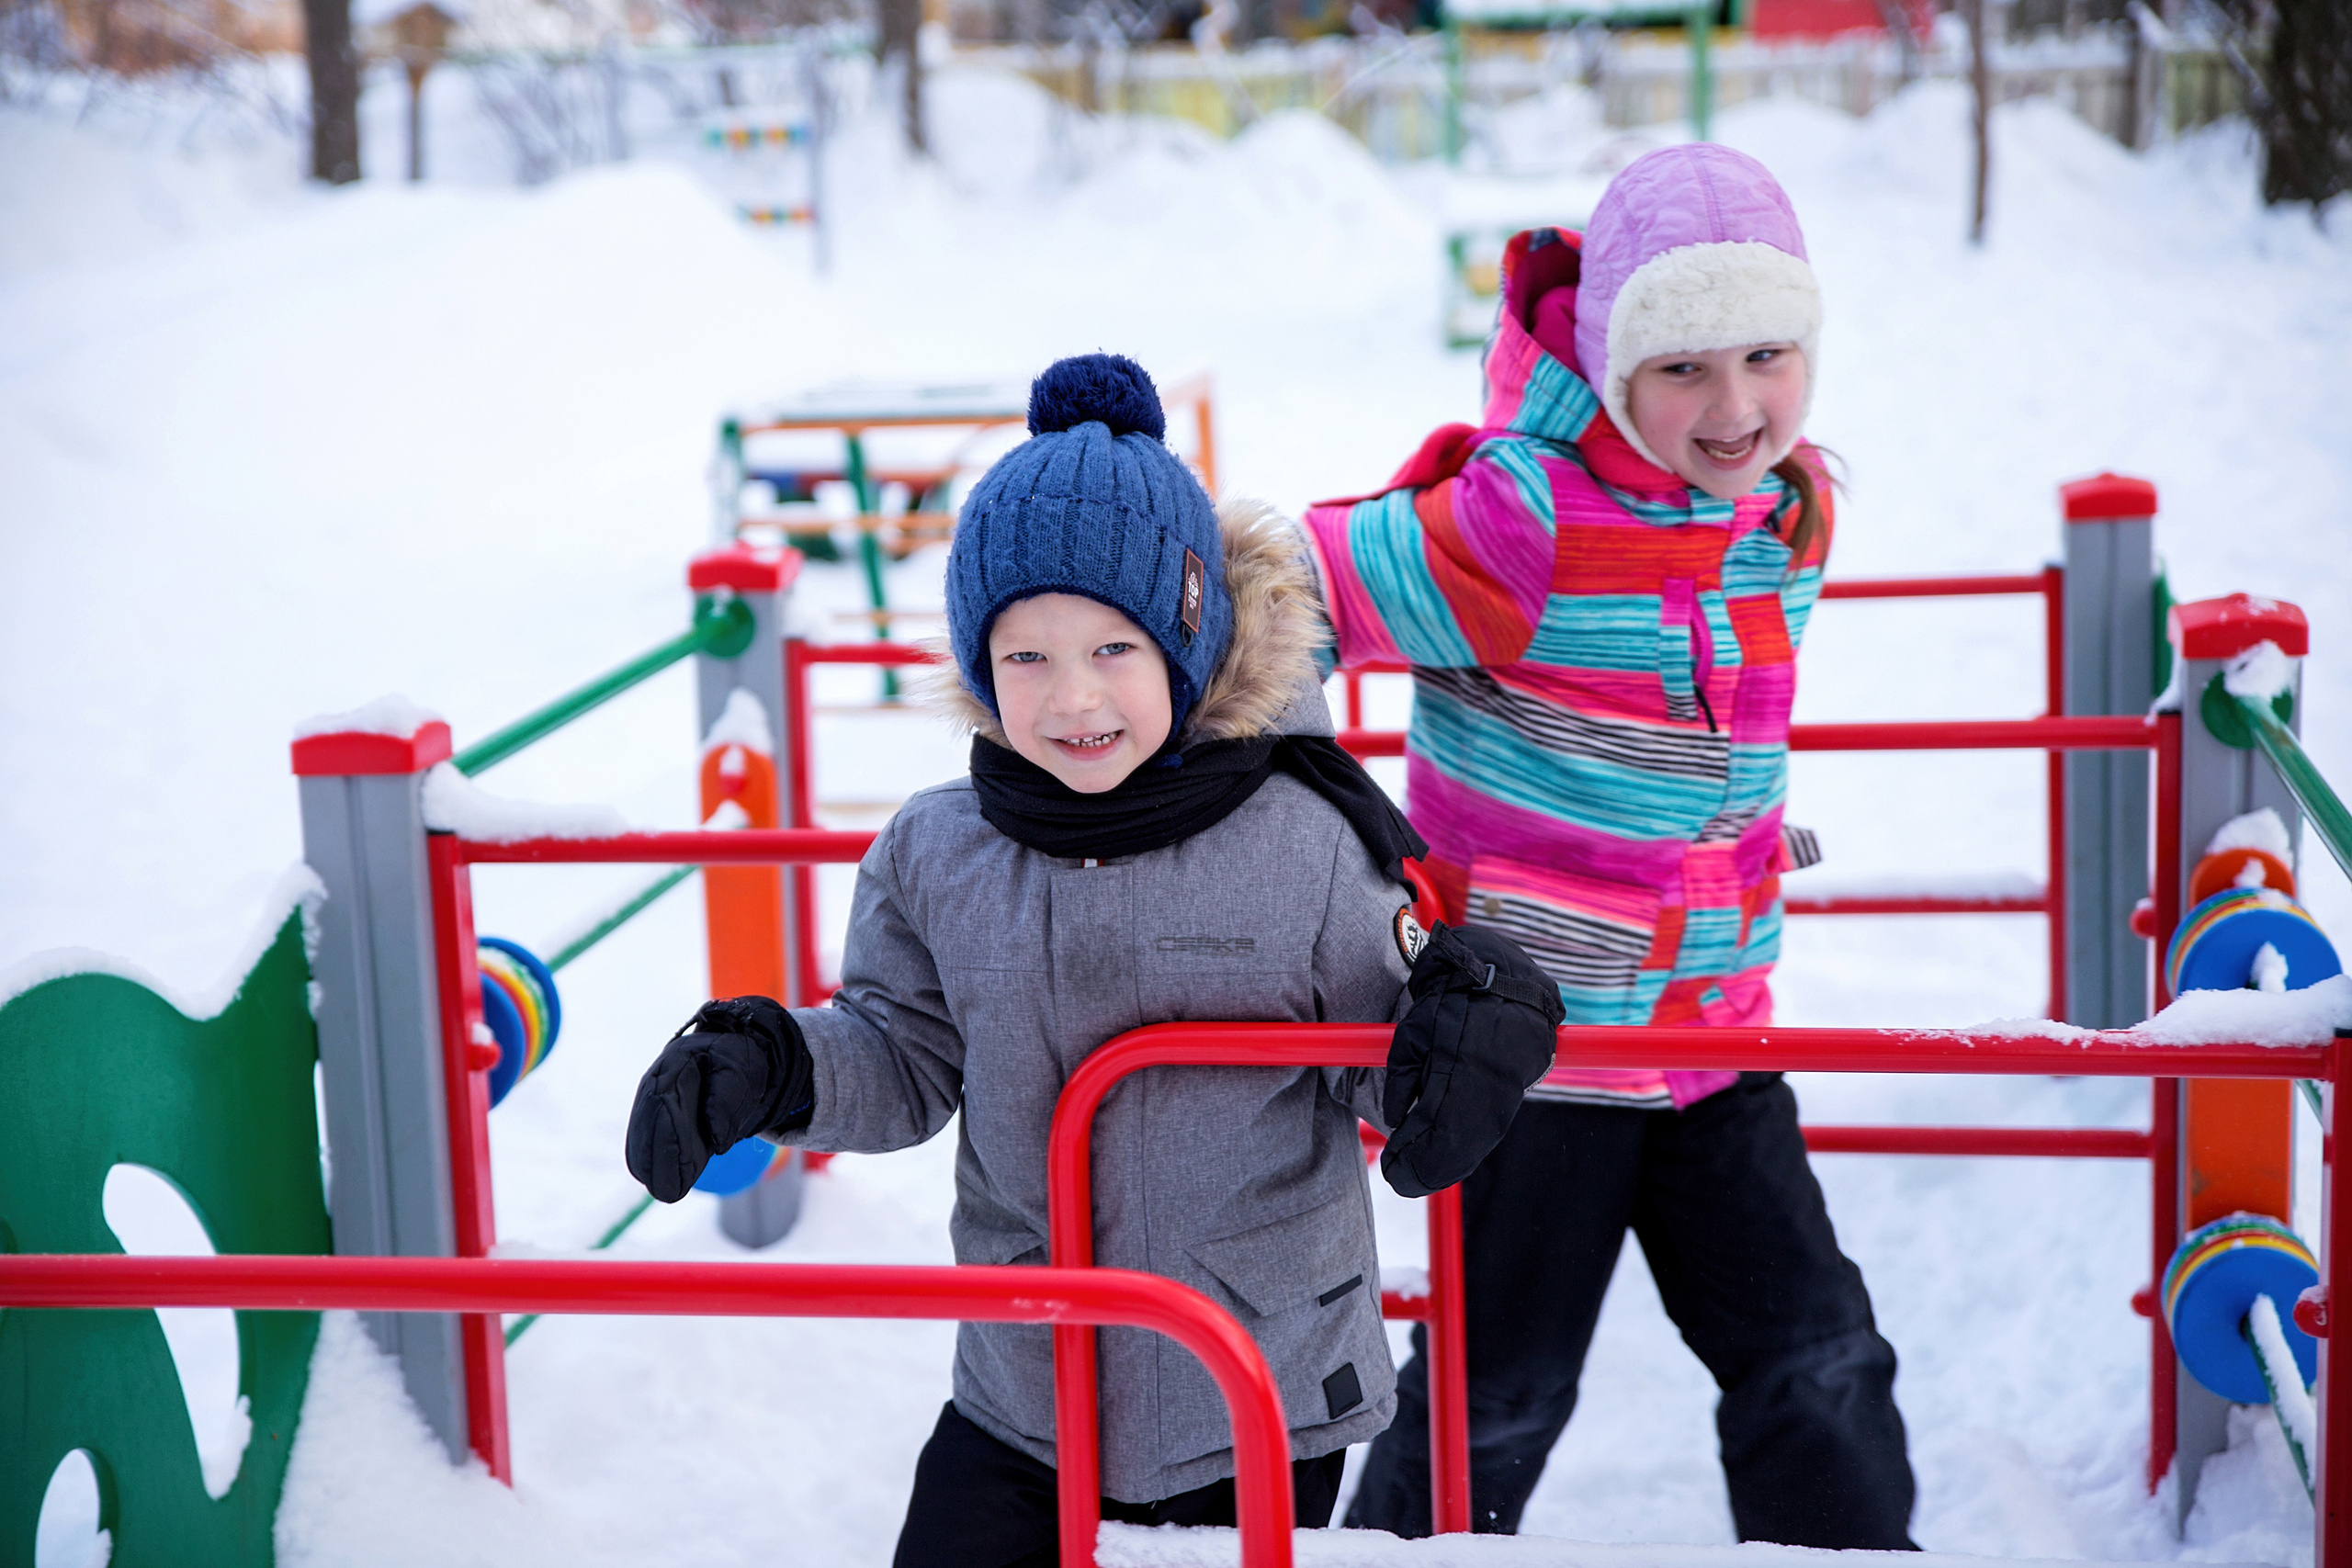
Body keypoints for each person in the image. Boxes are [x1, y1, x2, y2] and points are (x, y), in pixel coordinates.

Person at [621, 353, 1559, 1566]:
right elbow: (904, 1056)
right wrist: (779, 1064)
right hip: (1025, 1383)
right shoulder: (938, 851)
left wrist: (1466, 1029)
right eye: (1027, 656)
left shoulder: (1302, 844)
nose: (1072, 699)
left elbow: (1385, 1067)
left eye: (1114, 648)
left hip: (1250, 1388)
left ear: (1186, 640)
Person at [1302, 145, 1918, 1548]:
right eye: (1684, 368)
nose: (1737, 409)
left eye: (1768, 357)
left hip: (1710, 1034)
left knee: (1819, 1361)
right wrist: (1272, 818)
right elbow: (1294, 596)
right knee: (1493, 1399)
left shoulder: (1788, 508)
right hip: (1535, 1054)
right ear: (1612, 362)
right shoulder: (1523, 520)